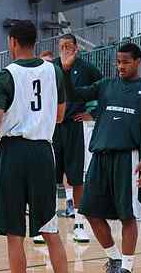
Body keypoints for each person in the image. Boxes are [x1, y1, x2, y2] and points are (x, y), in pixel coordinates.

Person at [0, 20, 68, 273]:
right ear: (35, 42)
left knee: (14, 233)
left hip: (13, 153)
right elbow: (59, 115)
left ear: (12, 42)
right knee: (50, 228)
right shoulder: (54, 71)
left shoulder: (5, 76)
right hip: (43, 152)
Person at [61, 43, 141, 273]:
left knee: (127, 215)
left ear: (137, 61)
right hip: (100, 157)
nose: (120, 66)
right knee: (90, 211)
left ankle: (127, 267)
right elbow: (74, 93)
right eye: (118, 62)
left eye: (125, 62)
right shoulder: (105, 85)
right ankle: (114, 258)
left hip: (128, 158)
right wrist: (64, 70)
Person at [54, 34, 102, 242]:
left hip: (74, 127)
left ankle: (79, 224)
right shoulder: (50, 67)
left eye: (68, 46)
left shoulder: (87, 68)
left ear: (76, 48)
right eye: (61, 46)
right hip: (53, 127)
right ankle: (47, 223)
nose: (64, 49)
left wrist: (94, 113)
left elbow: (106, 90)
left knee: (76, 178)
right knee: (48, 177)